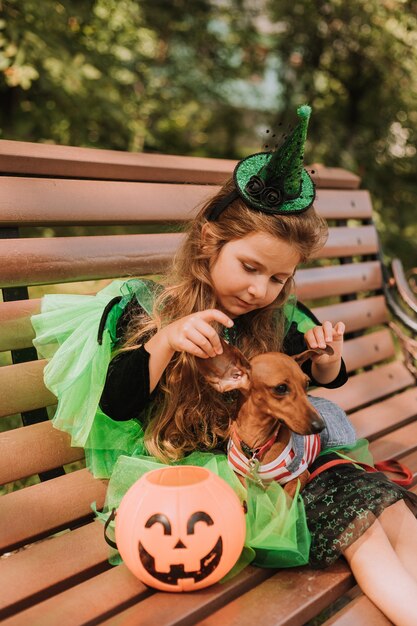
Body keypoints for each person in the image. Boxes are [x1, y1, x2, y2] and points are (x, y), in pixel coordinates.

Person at [32, 105, 417, 625]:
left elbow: (326, 377)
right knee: (364, 525)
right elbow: (119, 404)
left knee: (390, 508)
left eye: (278, 279)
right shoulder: (151, 311)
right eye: (249, 268)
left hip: (276, 464)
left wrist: (328, 357)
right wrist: (166, 341)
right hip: (204, 481)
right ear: (209, 244)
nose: (261, 290)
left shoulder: (275, 318)